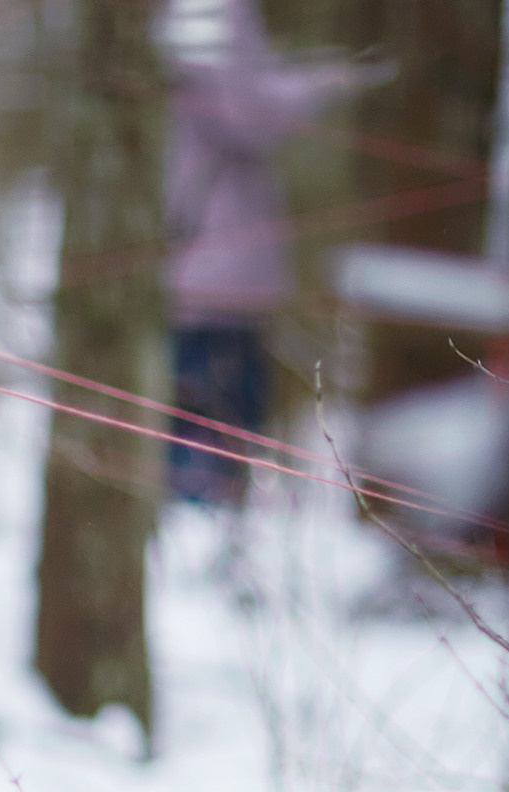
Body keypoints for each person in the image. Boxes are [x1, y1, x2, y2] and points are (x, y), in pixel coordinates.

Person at [161, 0, 381, 504]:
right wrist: (320, 84)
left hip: (211, 269)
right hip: (211, 273)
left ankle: (214, 532)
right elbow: (244, 116)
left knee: (221, 428)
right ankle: (207, 543)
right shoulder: (209, 6)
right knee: (210, 434)